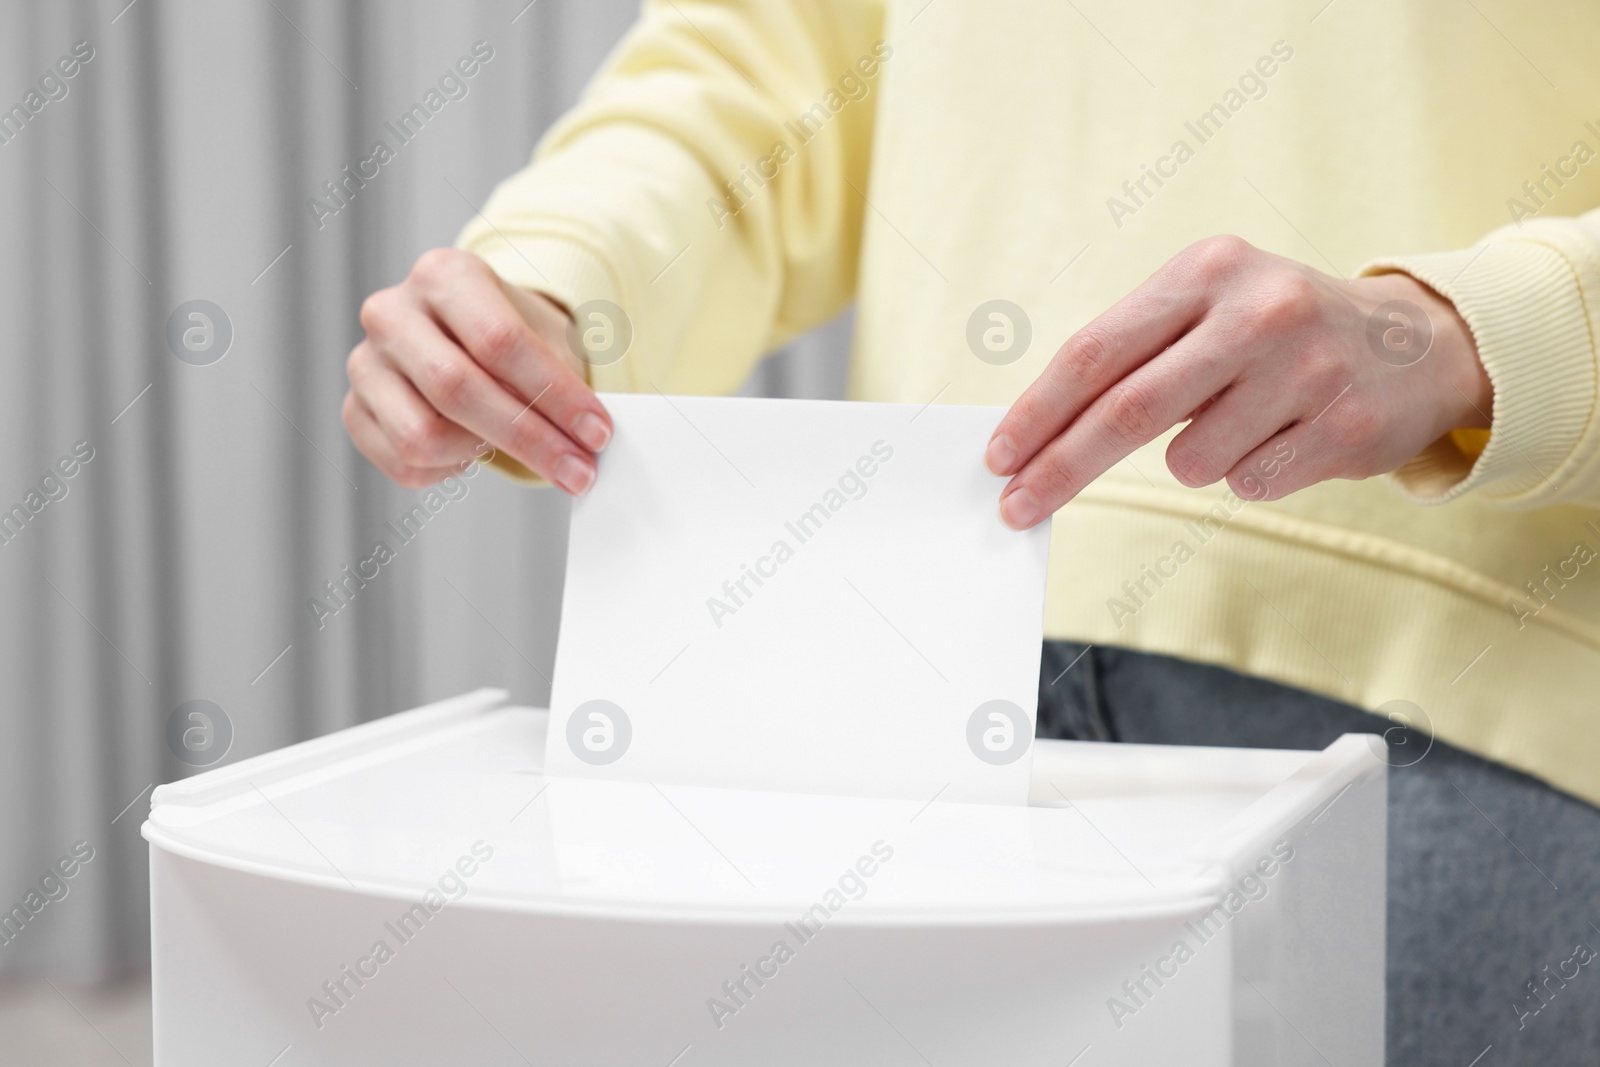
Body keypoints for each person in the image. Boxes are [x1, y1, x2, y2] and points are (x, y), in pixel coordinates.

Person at [342, 2, 1600, 1060]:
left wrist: (1466, 335)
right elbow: (766, 60)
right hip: (938, 657)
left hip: (1468, 707)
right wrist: (547, 288)